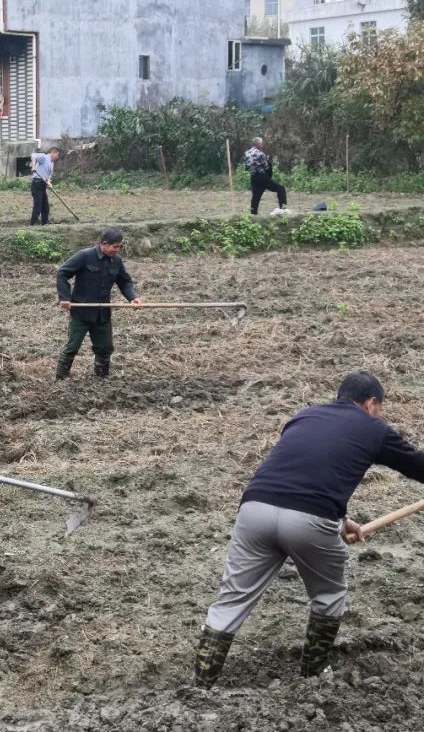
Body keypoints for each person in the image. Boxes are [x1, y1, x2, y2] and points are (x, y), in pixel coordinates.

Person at [194, 372, 424, 688]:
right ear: (371, 403)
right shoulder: (374, 429)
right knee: (329, 594)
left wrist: (341, 521)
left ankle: (201, 685)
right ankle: (313, 675)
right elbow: (417, 466)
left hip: (254, 509)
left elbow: (305, 469)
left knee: (231, 601)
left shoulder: (305, 415)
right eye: (379, 408)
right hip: (310, 520)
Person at [55, 227, 142, 380]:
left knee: (105, 348)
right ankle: (61, 379)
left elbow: (124, 282)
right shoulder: (84, 256)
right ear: (104, 244)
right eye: (115, 247)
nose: (117, 250)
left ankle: (101, 378)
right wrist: (65, 297)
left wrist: (132, 297)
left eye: (119, 247)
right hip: (81, 313)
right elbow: (62, 272)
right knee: (72, 347)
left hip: (102, 313)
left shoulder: (116, 260)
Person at [243, 137, 290, 216]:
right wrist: (268, 176)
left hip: (253, 177)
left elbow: (246, 167)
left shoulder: (246, 153)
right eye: (261, 144)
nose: (262, 145)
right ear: (257, 144)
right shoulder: (261, 154)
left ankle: (253, 215)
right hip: (262, 176)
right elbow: (266, 167)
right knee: (280, 189)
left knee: (256, 197)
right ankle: (283, 209)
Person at [29, 146, 60, 226]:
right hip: (37, 183)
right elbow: (33, 155)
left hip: (43, 185)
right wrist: (33, 166)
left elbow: (48, 176)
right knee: (38, 206)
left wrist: (49, 183)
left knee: (45, 207)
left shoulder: (51, 164)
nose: (58, 157)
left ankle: (45, 223)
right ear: (53, 152)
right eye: (57, 154)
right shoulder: (44, 157)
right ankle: (33, 224)